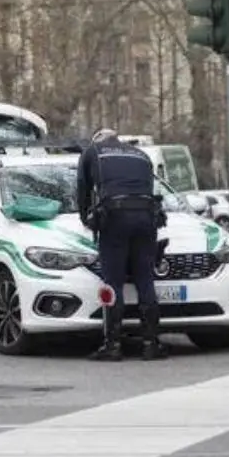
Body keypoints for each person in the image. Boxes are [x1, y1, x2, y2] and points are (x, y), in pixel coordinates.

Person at [77, 128, 167, 361]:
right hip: (146, 218)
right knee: (145, 278)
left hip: (115, 219)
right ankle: (151, 343)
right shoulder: (140, 154)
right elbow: (151, 189)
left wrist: (87, 218)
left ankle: (113, 344)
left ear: (96, 139)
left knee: (113, 282)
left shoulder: (93, 152)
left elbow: (83, 190)